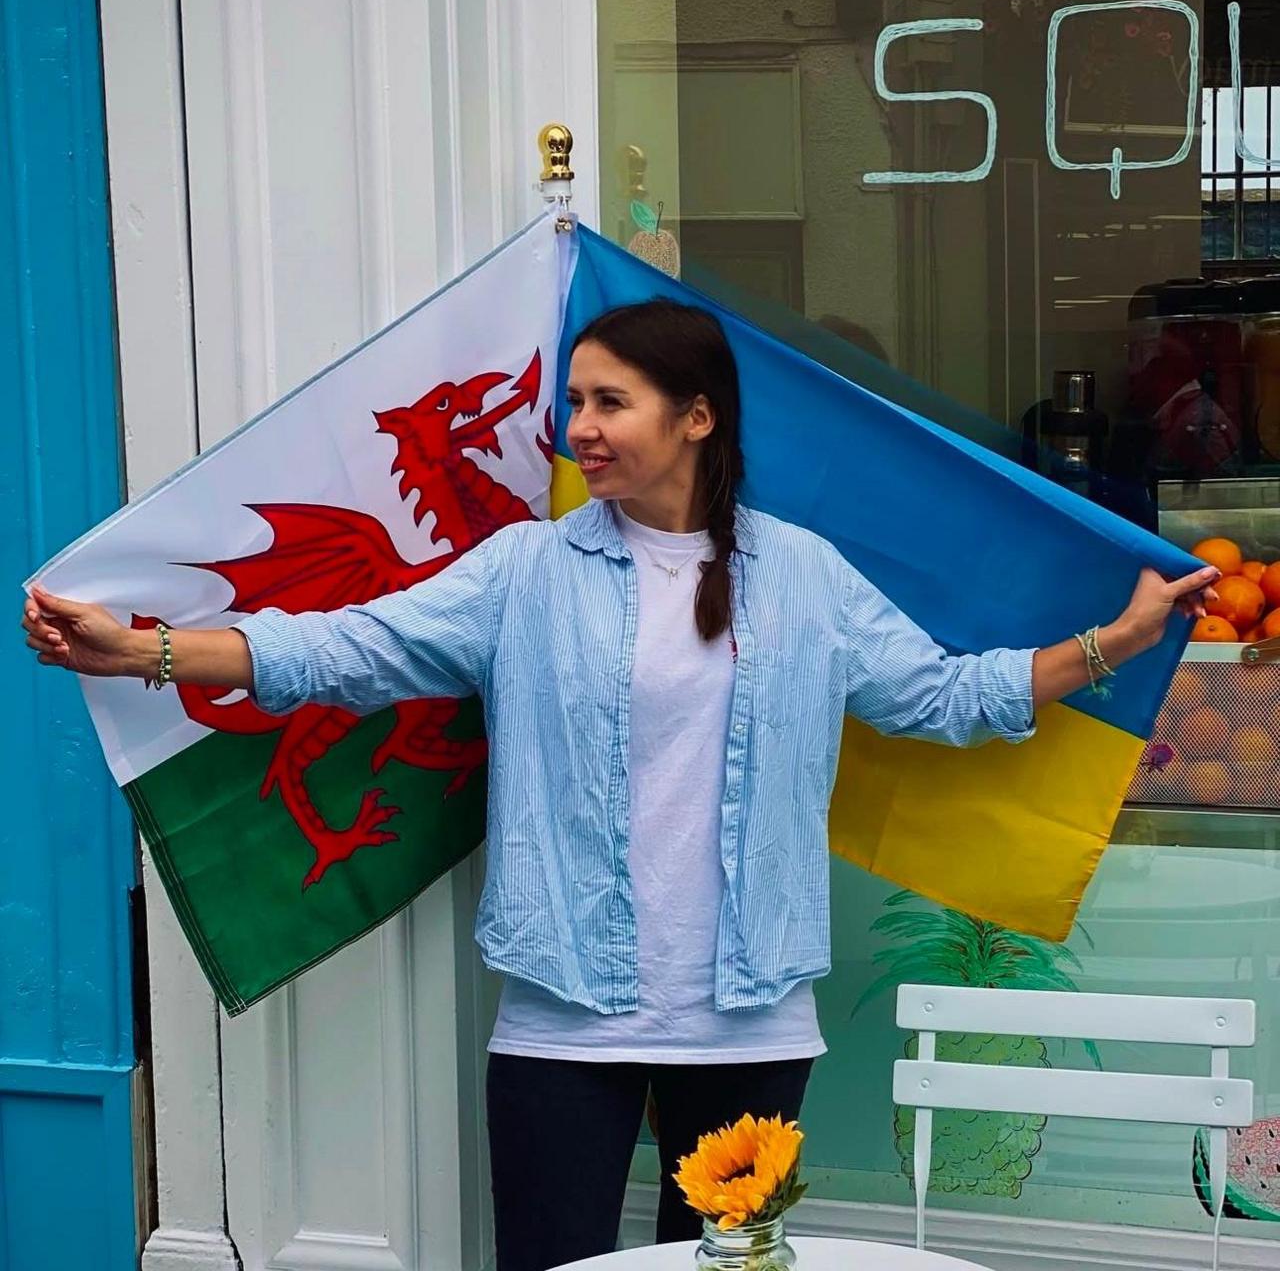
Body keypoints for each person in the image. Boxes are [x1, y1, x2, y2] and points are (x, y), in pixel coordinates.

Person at [22, 299, 1216, 1271]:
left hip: (748, 1014)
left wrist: (1114, 638)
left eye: (609, 402)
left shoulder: (800, 575)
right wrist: (150, 648)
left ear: (695, 416)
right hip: (565, 1011)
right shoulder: (523, 571)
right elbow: (343, 647)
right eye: (573, 402)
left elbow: (946, 696)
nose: (577, 427)